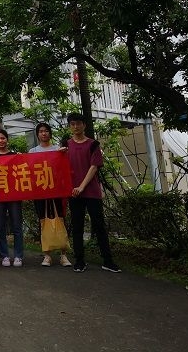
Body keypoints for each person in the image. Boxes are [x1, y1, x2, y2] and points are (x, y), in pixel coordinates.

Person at [65, 112, 121, 273]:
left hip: (91, 191)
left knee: (99, 226)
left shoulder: (93, 144)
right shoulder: (66, 145)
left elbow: (94, 166)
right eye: (72, 124)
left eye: (78, 123)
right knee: (77, 227)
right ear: (70, 126)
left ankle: (108, 261)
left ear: (84, 125)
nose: (76, 127)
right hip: (73, 192)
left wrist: (81, 186)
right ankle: (79, 261)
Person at [29, 122, 71, 267]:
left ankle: (63, 254)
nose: (44, 133)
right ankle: (47, 255)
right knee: (43, 221)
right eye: (41, 131)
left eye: (46, 131)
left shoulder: (57, 150)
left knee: (60, 220)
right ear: (37, 134)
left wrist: (63, 154)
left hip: (57, 191)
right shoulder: (32, 152)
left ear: (50, 133)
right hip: (41, 192)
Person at [0, 129, 24, 267]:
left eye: (3, 138)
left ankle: (18, 256)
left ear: (7, 139)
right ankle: (4, 255)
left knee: (17, 226)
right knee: (0, 227)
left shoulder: (15, 156)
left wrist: (22, 158)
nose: (0, 141)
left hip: (14, 196)